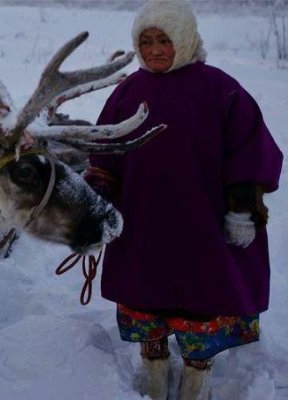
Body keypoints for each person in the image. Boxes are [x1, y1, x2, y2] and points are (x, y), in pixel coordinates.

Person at [84, 1, 283, 399]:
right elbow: (105, 152)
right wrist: (97, 204)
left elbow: (251, 151)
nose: (155, 49)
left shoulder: (221, 90)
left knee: (201, 296)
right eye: (146, 41)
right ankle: (153, 372)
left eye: (164, 40)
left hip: (203, 224)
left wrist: (242, 209)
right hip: (141, 222)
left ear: (186, 39)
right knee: (145, 294)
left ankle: (197, 377)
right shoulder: (129, 91)